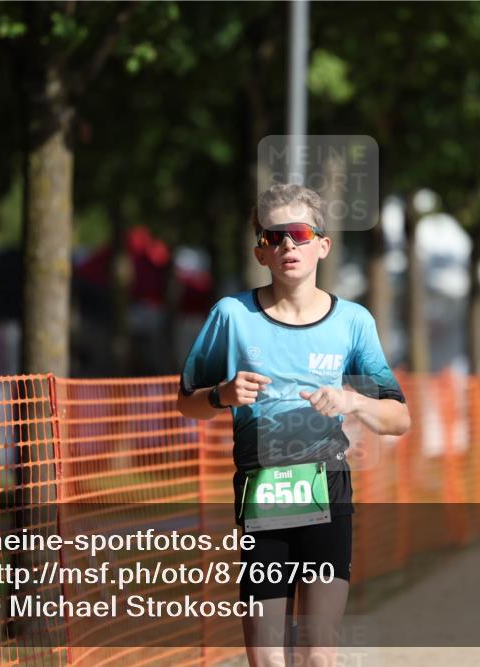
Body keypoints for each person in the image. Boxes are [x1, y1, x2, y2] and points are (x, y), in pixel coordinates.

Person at [176, 184, 411, 666]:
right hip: (263, 496)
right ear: (260, 250)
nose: (288, 246)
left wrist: (350, 399)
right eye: (274, 236)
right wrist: (221, 396)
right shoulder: (232, 316)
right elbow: (186, 403)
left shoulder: (353, 322)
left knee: (317, 654)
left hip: (328, 489)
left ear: (322, 245)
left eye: (300, 234)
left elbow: (399, 418)